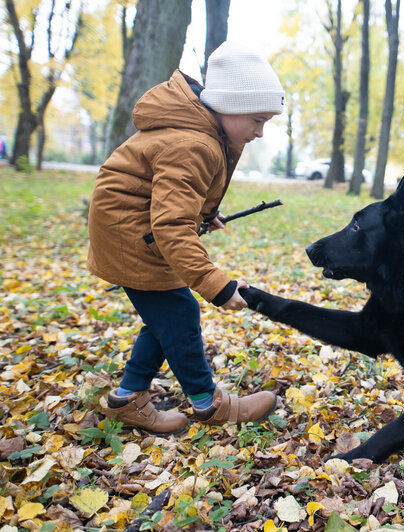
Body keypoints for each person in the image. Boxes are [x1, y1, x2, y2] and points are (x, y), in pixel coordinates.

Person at [87, 41, 284, 436]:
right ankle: (207, 402)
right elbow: (171, 225)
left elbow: (171, 196)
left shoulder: (206, 133)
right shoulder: (193, 142)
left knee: (165, 318)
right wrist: (218, 285)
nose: (261, 132)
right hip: (131, 235)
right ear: (229, 106)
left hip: (137, 229)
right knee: (179, 314)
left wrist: (205, 215)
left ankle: (128, 399)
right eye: (257, 119)